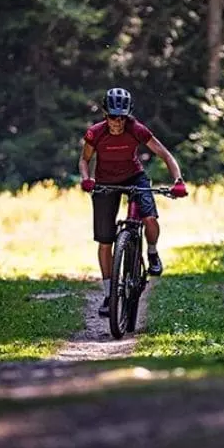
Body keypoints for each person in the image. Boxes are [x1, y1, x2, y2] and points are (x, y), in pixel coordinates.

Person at [79, 87, 188, 317]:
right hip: (105, 182)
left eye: (121, 117)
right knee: (105, 240)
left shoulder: (136, 130)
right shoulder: (95, 134)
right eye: (112, 117)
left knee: (149, 218)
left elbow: (165, 155)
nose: (117, 123)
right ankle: (109, 295)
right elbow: (84, 160)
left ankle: (152, 252)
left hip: (135, 177)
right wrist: (86, 179)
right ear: (104, 114)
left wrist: (178, 180)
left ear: (127, 115)